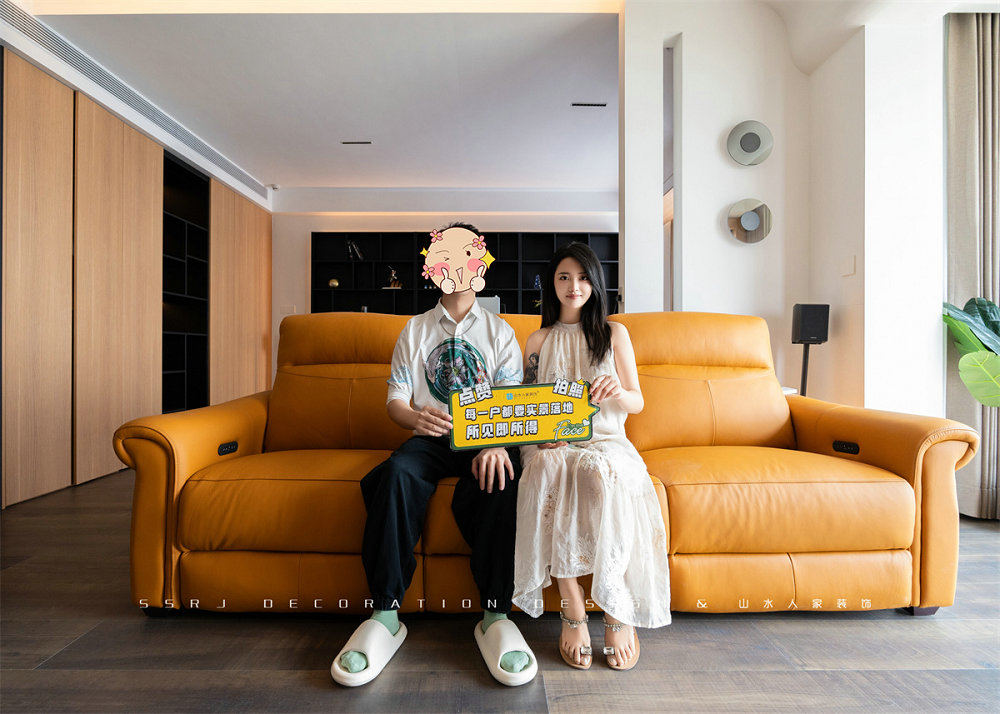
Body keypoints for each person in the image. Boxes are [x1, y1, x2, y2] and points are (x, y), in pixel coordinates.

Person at [331, 223, 537, 688]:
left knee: (503, 479)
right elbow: (395, 400)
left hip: (484, 436)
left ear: (480, 265)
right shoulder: (414, 329)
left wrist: (495, 443)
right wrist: (413, 418)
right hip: (431, 438)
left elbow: (510, 402)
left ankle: (496, 613)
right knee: (396, 475)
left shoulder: (501, 332)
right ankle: (385, 612)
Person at [512, 242, 671, 671]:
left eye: (583, 277)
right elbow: (527, 408)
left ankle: (617, 606)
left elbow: (637, 400)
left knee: (599, 471)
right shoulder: (538, 340)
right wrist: (541, 438)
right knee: (548, 468)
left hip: (606, 440)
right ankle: (572, 603)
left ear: (595, 282)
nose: (574, 286)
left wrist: (618, 390)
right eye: (564, 277)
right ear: (552, 284)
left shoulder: (614, 334)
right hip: (552, 443)